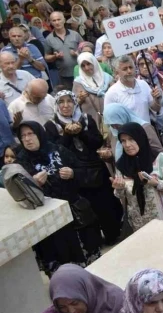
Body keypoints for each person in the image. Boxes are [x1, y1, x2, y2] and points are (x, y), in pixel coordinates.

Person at [15, 121, 103, 275]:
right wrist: (34, 184)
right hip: (49, 221)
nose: (27, 139)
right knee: (65, 269)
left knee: (92, 267)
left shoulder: (58, 150)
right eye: (23, 136)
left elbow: (86, 172)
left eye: (30, 134)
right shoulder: (21, 162)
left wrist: (73, 173)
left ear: (39, 134)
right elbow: (19, 192)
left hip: (75, 214)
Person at [45, 90, 122, 245]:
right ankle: (93, 242)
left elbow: (97, 142)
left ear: (75, 103)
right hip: (73, 173)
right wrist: (67, 134)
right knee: (85, 209)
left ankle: (112, 235)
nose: (65, 105)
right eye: (61, 102)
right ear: (56, 105)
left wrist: (81, 132)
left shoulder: (86, 119)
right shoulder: (51, 125)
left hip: (94, 169)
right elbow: (56, 150)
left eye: (69, 101)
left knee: (105, 204)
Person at [112, 122, 163, 232]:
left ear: (140, 138)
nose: (127, 145)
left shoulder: (159, 159)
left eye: (131, 139)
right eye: (123, 141)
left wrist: (157, 183)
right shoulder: (121, 165)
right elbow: (121, 196)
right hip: (139, 223)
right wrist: (119, 188)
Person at [104, 55, 162, 124]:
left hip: (147, 130)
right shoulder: (111, 93)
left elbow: (155, 108)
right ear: (117, 72)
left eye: (131, 67)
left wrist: (156, 99)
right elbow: (110, 120)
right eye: (125, 69)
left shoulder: (143, 84)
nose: (129, 71)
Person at [73, 52, 112, 127]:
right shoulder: (78, 82)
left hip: (110, 116)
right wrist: (80, 98)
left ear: (94, 62)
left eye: (88, 64)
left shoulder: (107, 78)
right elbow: (75, 103)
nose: (86, 68)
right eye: (83, 66)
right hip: (92, 120)